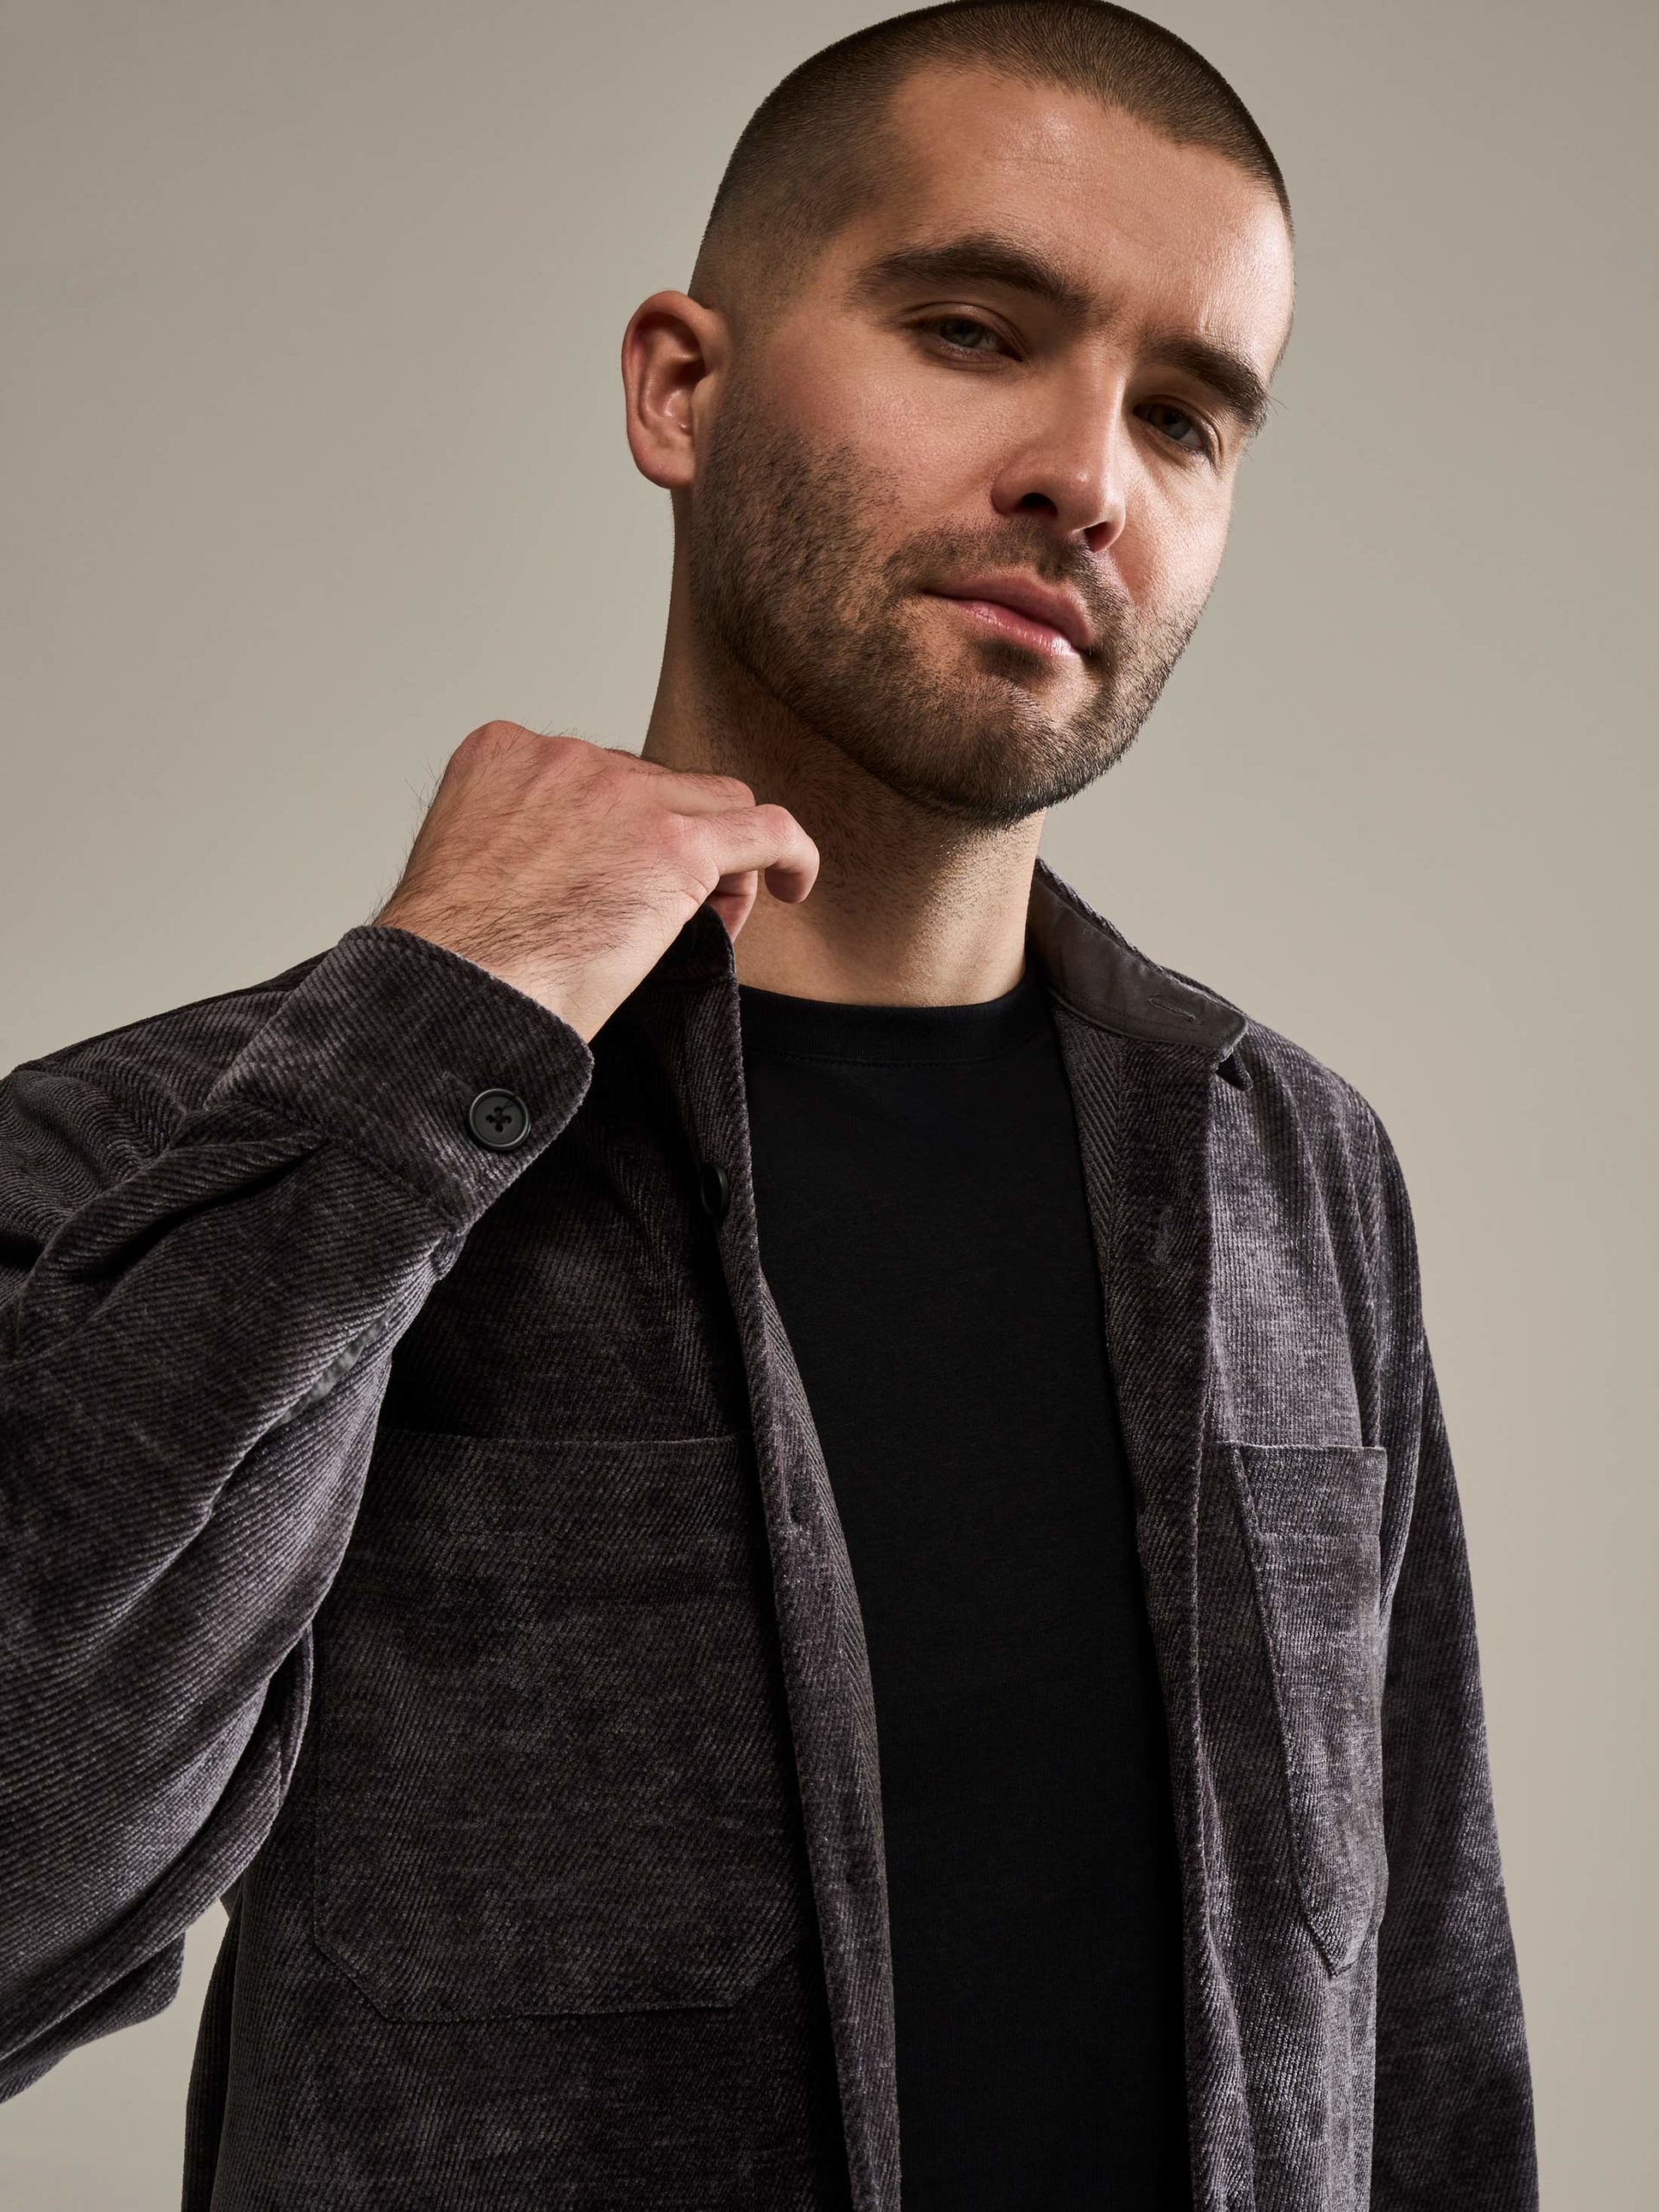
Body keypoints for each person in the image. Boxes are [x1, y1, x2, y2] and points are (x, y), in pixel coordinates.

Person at [0, 3, 1536, 2206]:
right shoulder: (184, 1151)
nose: (1088, 476)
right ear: (678, 389)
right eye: (974, 329)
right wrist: (437, 1030)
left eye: (1185, 415)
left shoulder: (1293, 1168)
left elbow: (1429, 2052)